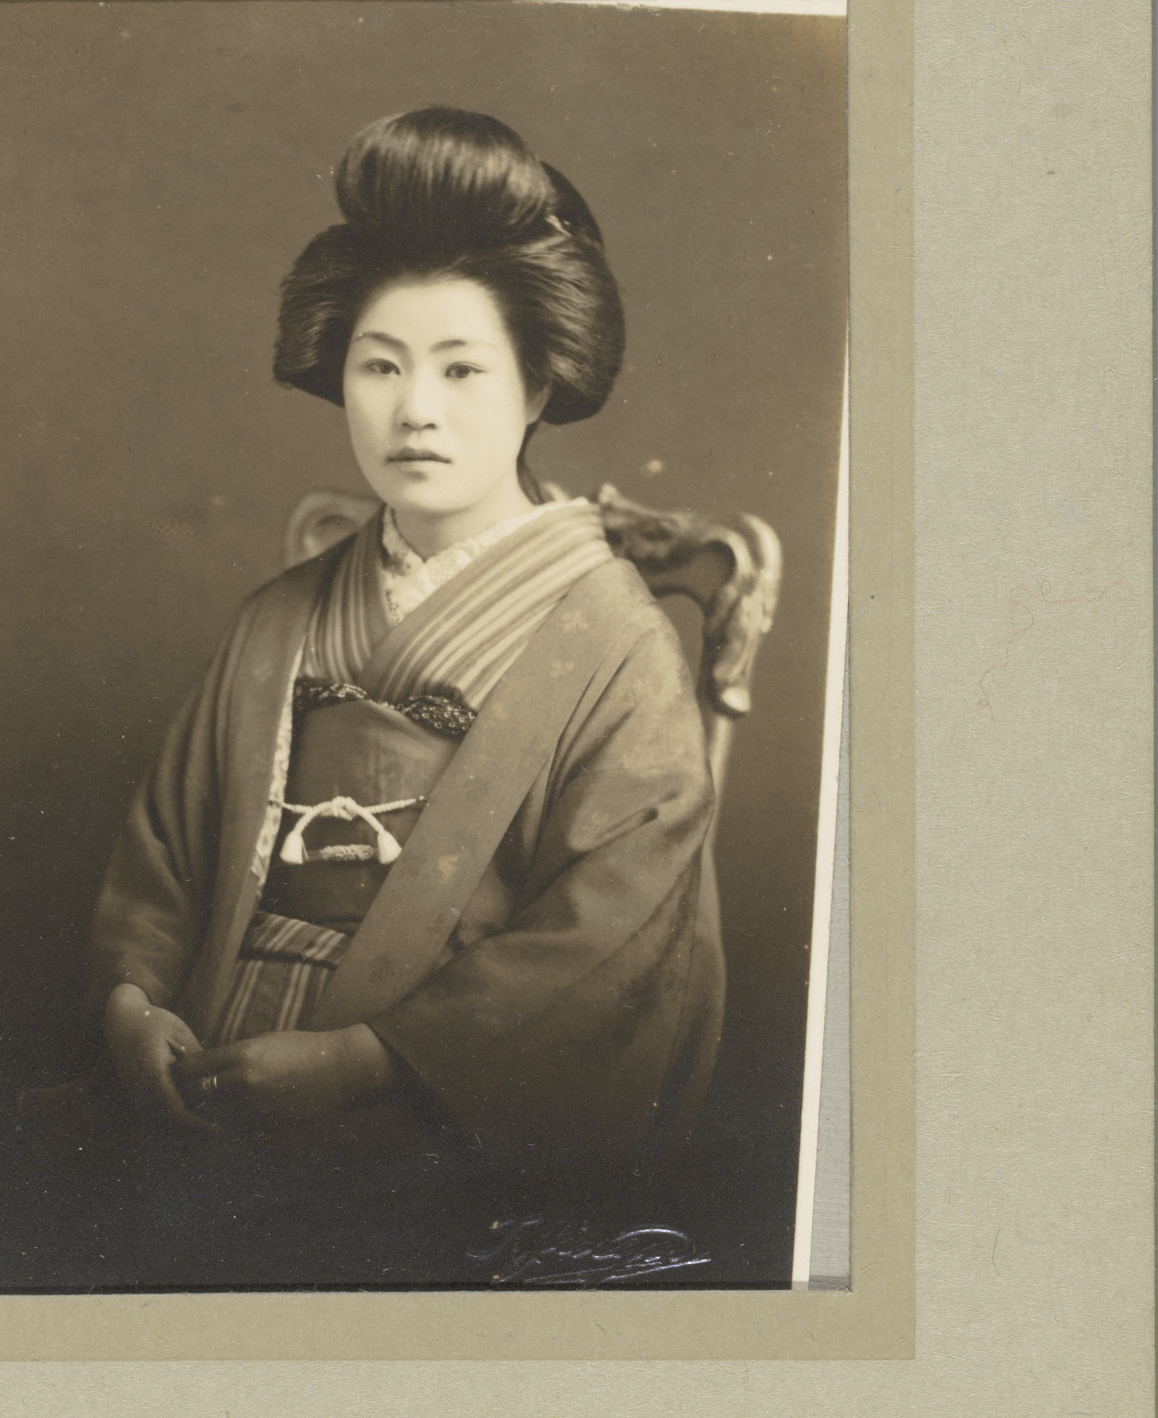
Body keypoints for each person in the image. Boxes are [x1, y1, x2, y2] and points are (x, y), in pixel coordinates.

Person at [78, 106, 723, 1287]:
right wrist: (132, 1003)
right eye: (380, 365)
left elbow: (607, 939)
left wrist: (371, 1058)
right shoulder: (279, 616)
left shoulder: (617, 646)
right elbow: (164, 851)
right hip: (213, 1079)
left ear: (538, 385)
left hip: (436, 1127)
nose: (414, 407)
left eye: (462, 368)